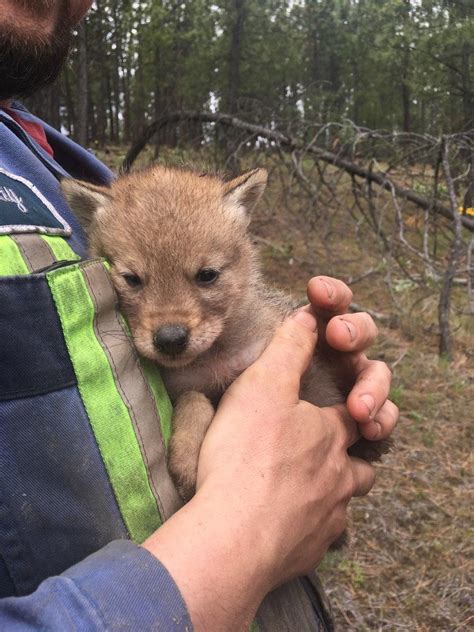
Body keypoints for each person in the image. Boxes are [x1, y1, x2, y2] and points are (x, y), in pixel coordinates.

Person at [0, 1, 398, 629]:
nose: (169, 322)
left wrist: (343, 407)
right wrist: (240, 542)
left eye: (206, 277)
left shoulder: (58, 161)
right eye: (132, 282)